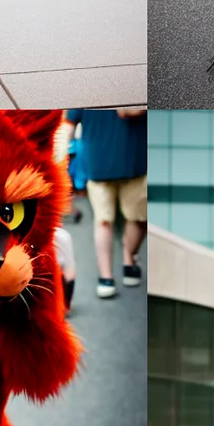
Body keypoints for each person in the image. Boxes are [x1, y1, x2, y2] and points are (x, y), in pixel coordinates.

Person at [65, 110, 144, 300]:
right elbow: (68, 125)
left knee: (123, 219)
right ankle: (114, 271)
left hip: (124, 163)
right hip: (119, 163)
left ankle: (117, 267)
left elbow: (68, 126)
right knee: (114, 220)